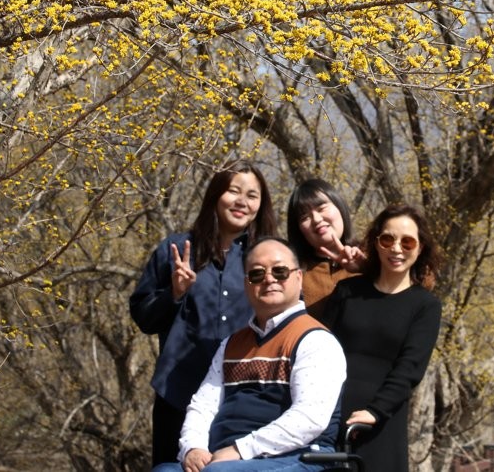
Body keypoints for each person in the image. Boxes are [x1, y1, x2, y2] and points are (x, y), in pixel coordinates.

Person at [154, 236, 347, 471]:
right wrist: (193, 448)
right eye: (257, 274)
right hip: (229, 459)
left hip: (301, 456)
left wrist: (240, 450)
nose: (268, 279)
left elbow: (309, 419)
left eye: (280, 271)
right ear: (246, 284)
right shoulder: (231, 344)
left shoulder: (315, 340)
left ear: (298, 277)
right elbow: (203, 405)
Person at [130, 160, 278, 467]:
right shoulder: (175, 250)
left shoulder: (268, 259)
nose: (242, 201)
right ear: (214, 195)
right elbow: (143, 317)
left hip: (245, 399)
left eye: (252, 195)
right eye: (233, 191)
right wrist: (174, 293)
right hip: (178, 393)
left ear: (260, 205)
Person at [321, 204, 443, 472]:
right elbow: (318, 347)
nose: (396, 249)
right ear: (376, 243)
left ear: (420, 248)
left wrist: (375, 411)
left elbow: (410, 368)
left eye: (407, 241)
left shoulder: (425, 306)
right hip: (326, 414)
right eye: (388, 239)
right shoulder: (347, 291)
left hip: (380, 423)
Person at [286, 178, 365, 320]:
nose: (316, 219)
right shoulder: (294, 274)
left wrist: (368, 269)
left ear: (340, 207)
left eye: (321, 208)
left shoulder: (374, 255)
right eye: (305, 216)